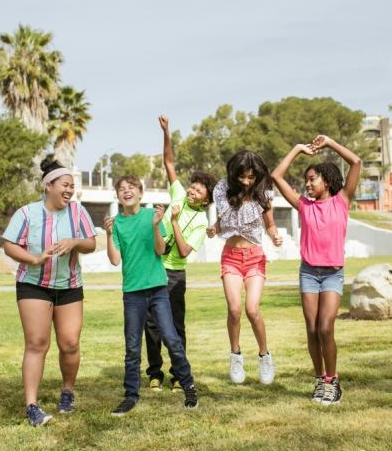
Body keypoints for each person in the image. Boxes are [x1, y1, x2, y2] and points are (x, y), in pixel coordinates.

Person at [1, 158, 97, 426]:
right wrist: (34, 259)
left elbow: (91, 244)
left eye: (72, 186)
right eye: (65, 185)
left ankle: (67, 392)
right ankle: (31, 406)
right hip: (33, 285)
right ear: (48, 186)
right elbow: (9, 245)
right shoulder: (27, 213)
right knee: (37, 343)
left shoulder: (78, 212)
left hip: (69, 286)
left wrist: (74, 241)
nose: (70, 190)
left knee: (70, 343)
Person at [271, 135, 361, 405]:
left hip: (332, 274)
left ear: (327, 181)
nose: (308, 184)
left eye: (312, 179)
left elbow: (356, 162)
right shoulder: (304, 206)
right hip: (309, 273)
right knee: (311, 329)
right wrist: (297, 149)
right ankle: (320, 379)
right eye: (306, 180)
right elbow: (276, 176)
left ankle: (333, 381)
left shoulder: (342, 200)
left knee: (325, 327)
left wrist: (330, 143)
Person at [104, 175, 199, 416]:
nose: (126, 191)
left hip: (157, 290)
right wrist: (108, 234)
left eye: (131, 188)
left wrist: (156, 226)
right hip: (132, 293)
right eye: (121, 189)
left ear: (140, 193)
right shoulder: (117, 223)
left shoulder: (151, 216)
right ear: (118, 196)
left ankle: (188, 386)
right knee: (132, 346)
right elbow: (114, 260)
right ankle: (131, 395)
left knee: (171, 339)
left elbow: (160, 249)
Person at [144, 116, 216, 392]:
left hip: (174, 274)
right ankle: (155, 373)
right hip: (154, 267)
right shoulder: (177, 194)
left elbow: (184, 251)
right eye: (192, 186)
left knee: (175, 326)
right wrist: (167, 132)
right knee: (151, 325)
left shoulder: (200, 221)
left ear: (206, 199)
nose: (192, 191)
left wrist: (174, 221)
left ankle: (178, 374)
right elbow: (169, 162)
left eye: (199, 190)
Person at [207, 150, 283, 385]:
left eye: (251, 177)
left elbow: (270, 225)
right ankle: (235, 355)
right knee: (234, 309)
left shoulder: (262, 195)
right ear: (234, 174)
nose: (247, 181)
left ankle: (264, 356)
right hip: (230, 257)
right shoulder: (224, 191)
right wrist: (214, 228)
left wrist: (275, 236)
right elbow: (224, 221)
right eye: (243, 176)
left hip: (254, 258)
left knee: (252, 310)